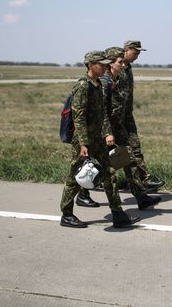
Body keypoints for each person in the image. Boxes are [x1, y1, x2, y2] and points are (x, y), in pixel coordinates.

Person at [60, 51, 140, 228]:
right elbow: (78, 117)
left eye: (106, 64)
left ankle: (118, 214)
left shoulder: (98, 85)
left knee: (109, 174)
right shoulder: (83, 86)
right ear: (90, 65)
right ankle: (66, 214)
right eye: (101, 64)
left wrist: (106, 133)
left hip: (98, 139)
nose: (105, 66)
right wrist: (82, 143)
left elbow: (103, 114)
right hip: (85, 141)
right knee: (75, 176)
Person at [101, 47, 162, 210]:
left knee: (129, 160)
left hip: (119, 126)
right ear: (110, 64)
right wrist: (107, 132)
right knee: (97, 165)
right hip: (106, 130)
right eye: (120, 62)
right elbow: (102, 111)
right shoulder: (104, 82)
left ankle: (141, 197)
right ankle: (82, 191)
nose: (123, 64)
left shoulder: (117, 79)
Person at [121, 40, 165, 192]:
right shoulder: (114, 67)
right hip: (114, 118)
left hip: (127, 116)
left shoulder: (128, 67)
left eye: (139, 53)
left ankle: (144, 180)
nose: (137, 56)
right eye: (135, 53)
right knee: (107, 155)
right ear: (126, 50)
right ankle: (85, 185)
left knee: (134, 147)